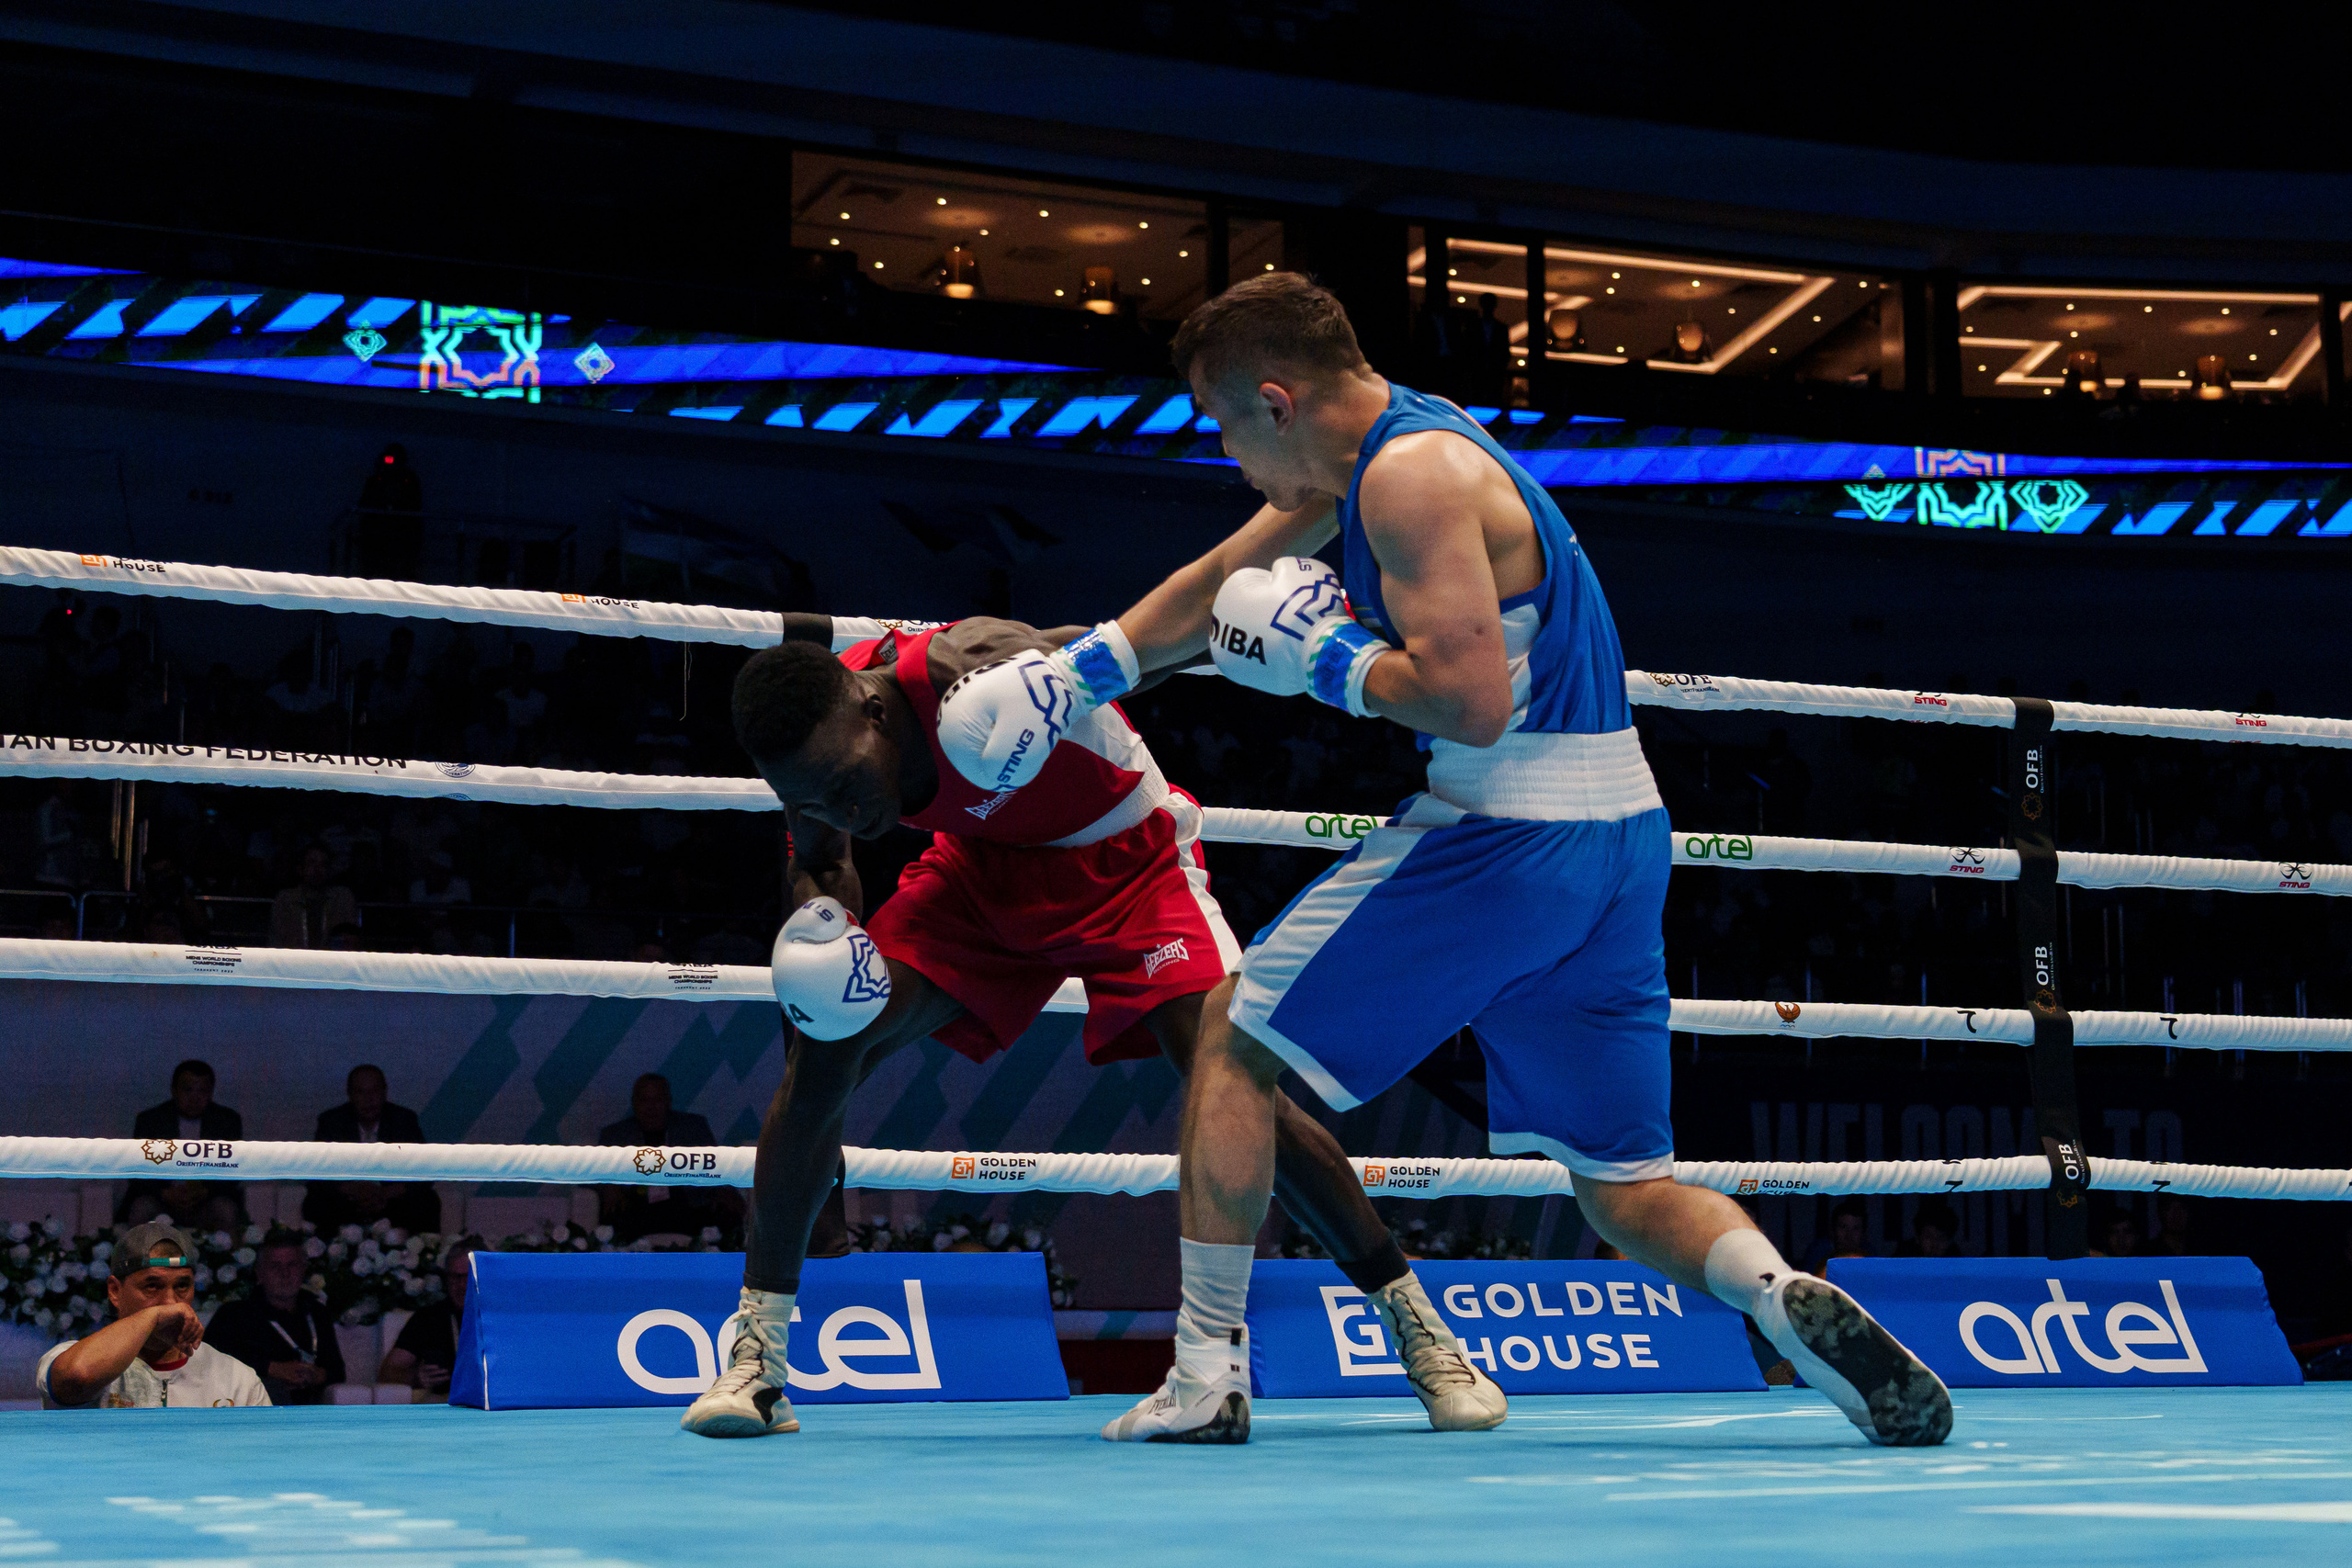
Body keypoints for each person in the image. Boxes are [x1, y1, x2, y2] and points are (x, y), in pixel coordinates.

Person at [979, 272, 1948, 1446]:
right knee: (1622, 1184)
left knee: (1234, 1043)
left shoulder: (1409, 481)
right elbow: (1210, 586)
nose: (1224, 454)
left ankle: (1203, 1378)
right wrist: (1075, 673)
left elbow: (1471, 704)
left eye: (1224, 424)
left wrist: (1326, 659)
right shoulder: (1398, 445)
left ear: (1275, 402)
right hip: (1618, 843)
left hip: (1510, 829)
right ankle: (1772, 1292)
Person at [678, 607, 1492, 1440]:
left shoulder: (971, 665)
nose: (842, 810)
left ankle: (1422, 1334)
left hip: (1126, 866)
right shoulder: (817, 749)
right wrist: (824, 933)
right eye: (814, 799)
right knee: (826, 1045)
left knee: (1237, 1088)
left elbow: (1107, 649)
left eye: (847, 786)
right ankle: (758, 1363)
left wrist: (1234, 631)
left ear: (876, 711)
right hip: (981, 878)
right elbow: (822, 861)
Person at [37, 1221, 268, 1409]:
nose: (170, 1303)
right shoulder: (69, 1356)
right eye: (152, 1286)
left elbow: (262, 1458)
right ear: (115, 1291)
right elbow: (77, 1377)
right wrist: (153, 1318)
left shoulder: (236, 1379)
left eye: (182, 1286)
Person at [203, 1233, 345, 1404]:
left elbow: (337, 1371)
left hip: (313, 1410)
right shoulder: (234, 1314)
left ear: (303, 1269)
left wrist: (316, 1375)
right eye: (275, 1266)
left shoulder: (317, 1313)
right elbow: (211, 1361)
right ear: (260, 1273)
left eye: (292, 1265)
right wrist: (271, 1369)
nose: (285, 1273)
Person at [597, 1074, 734, 1245]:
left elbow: (717, 1167)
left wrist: (723, 1190)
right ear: (634, 1103)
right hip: (636, 1207)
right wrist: (609, 1186)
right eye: (644, 1100)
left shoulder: (693, 1128)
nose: (651, 1108)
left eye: (657, 1100)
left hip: (687, 1205)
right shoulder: (615, 1135)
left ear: (668, 1102)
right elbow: (595, 1176)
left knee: (724, 1213)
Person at [303, 1065, 440, 1235]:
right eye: (361, 1092)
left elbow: (424, 1173)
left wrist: (385, 1193)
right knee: (316, 1201)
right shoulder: (332, 1122)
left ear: (384, 1092)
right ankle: (325, 1257)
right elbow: (316, 1174)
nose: (369, 1099)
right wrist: (352, 1190)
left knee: (427, 1201)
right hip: (347, 1200)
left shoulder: (404, 1120)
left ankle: (419, 1256)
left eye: (374, 1091)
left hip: (391, 1201)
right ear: (350, 1094)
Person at [123, 1060, 243, 1231]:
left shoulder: (227, 1121)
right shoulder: (151, 1120)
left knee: (226, 1210)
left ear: (211, 1093)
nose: (195, 1098)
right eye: (188, 1090)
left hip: (206, 1201)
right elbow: (137, 1172)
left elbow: (233, 1171)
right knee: (142, 1208)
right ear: (174, 1091)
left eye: (202, 1091)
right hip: (162, 1201)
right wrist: (165, 1193)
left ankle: (224, 1257)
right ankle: (139, 1257)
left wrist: (205, 1192)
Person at [382, 1240, 480, 1400]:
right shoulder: (429, 1318)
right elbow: (388, 1372)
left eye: (470, 1277)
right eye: (456, 1277)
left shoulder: (505, 1316)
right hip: (445, 1406)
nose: (463, 1285)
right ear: (446, 1279)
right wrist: (416, 1378)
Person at [271, 844, 360, 950]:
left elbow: (352, 942)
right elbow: (276, 941)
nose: (317, 870)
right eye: (311, 863)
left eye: (323, 864)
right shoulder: (285, 899)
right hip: (294, 962)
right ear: (300, 869)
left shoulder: (343, 898)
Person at [1803, 1197, 1875, 1273]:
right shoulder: (1818, 1252)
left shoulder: (1869, 1254)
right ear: (1832, 1230)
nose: (1849, 1236)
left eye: (1855, 1228)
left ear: (1863, 1233)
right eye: (1843, 1227)